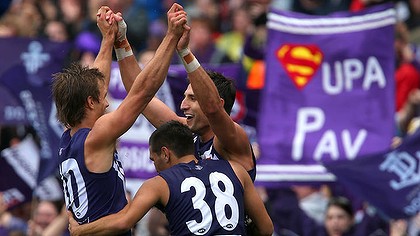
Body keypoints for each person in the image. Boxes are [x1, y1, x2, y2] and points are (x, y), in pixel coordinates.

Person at [51, 3, 187, 236]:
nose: (107, 100)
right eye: (103, 96)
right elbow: (142, 92)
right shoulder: (98, 134)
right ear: (90, 103)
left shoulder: (69, 136)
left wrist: (109, 38)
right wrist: (171, 38)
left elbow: (97, 80)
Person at [113, 3, 257, 182]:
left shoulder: (233, 137)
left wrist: (184, 51)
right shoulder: (188, 133)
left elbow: (212, 110)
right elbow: (139, 94)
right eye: (185, 97)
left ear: (219, 102)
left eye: (193, 98)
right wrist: (120, 41)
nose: (183, 105)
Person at [68, 121, 274, 236]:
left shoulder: (160, 184)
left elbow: (124, 221)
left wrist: (79, 231)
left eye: (153, 159)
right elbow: (266, 228)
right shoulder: (235, 170)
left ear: (165, 153)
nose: (154, 166)